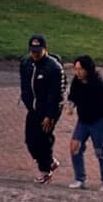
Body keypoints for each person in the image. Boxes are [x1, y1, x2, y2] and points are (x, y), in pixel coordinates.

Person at [19, 34, 66, 184]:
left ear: (45, 49)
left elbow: (56, 94)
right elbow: (25, 85)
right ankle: (49, 162)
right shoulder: (26, 63)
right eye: (32, 51)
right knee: (30, 140)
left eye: (38, 51)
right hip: (34, 109)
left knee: (44, 139)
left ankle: (46, 171)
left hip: (49, 109)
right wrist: (27, 101)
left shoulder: (54, 68)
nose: (35, 54)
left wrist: (49, 115)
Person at [65, 56, 103, 192]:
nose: (78, 72)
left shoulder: (99, 85)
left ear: (88, 69)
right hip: (83, 120)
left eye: (80, 69)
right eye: (76, 69)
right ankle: (80, 178)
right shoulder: (77, 82)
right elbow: (73, 96)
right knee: (75, 147)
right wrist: (71, 105)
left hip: (98, 121)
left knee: (100, 151)